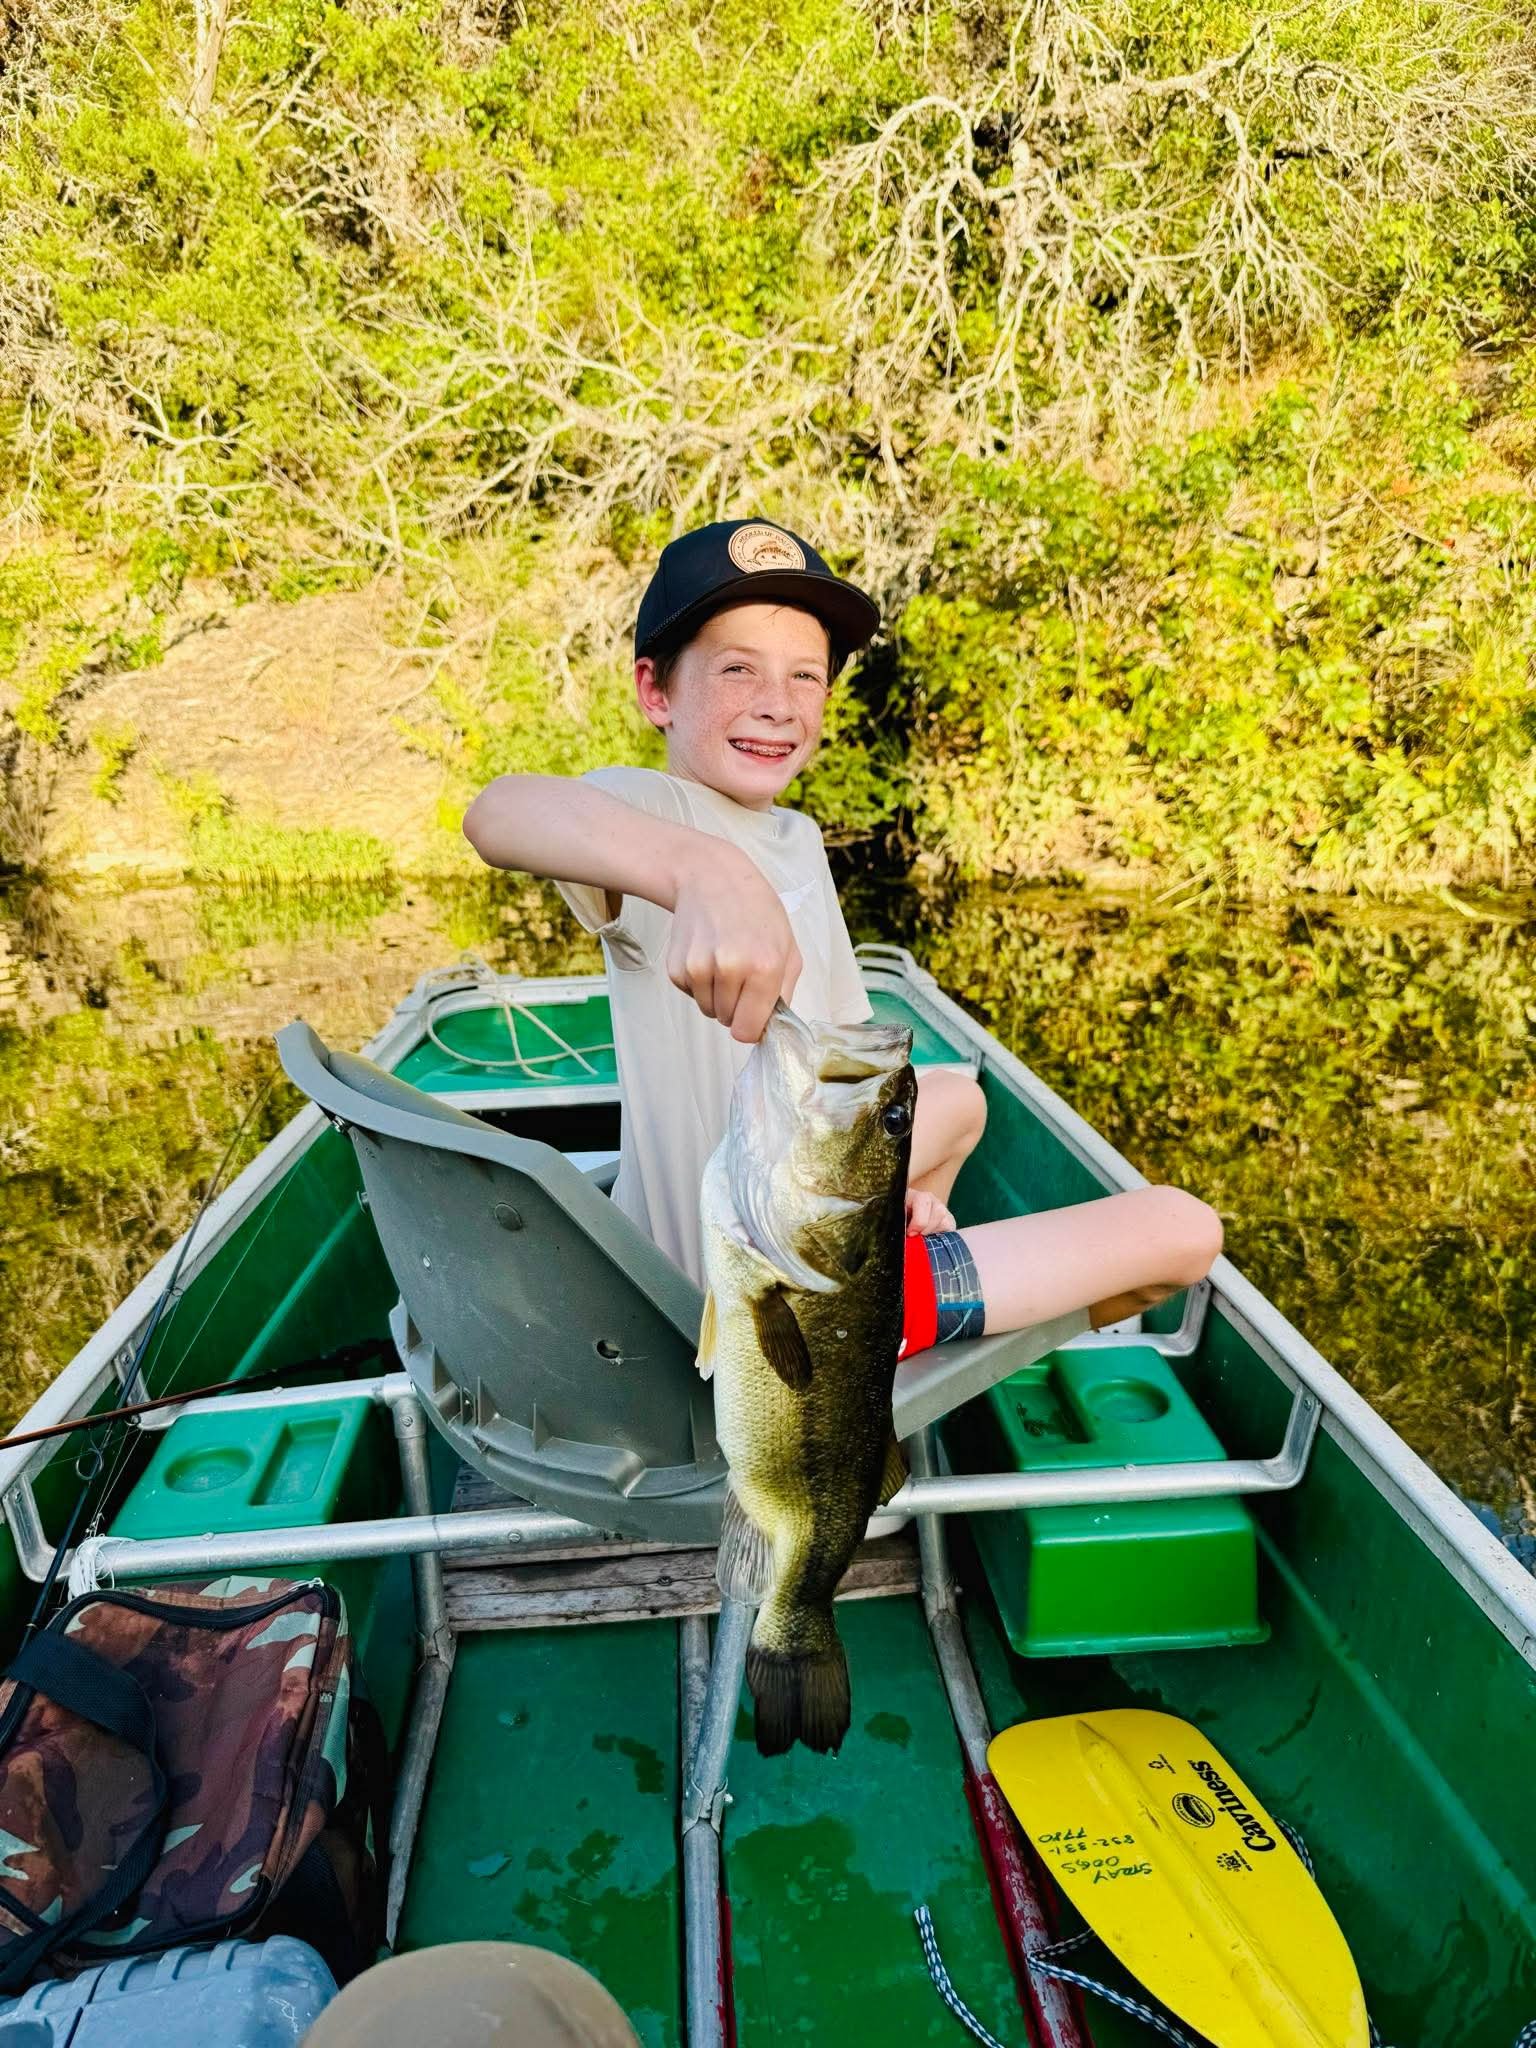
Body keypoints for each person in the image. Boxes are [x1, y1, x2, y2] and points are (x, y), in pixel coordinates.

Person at [462, 518, 1222, 1361]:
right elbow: (499, 812)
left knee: (960, 1102)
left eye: (805, 676)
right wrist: (697, 870)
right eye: (737, 669)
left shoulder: (794, 836)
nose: (777, 702)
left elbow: (861, 1069)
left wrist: (898, 1190)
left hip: (819, 1207)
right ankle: (881, 1321)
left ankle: (898, 1255)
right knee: (1184, 1229)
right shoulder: (651, 813)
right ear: (656, 692)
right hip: (759, 1299)